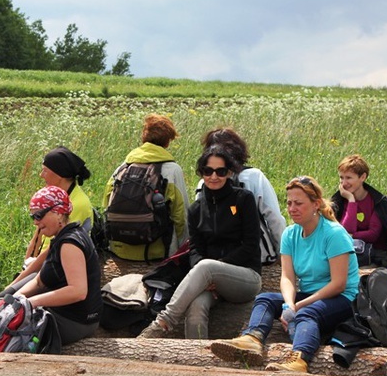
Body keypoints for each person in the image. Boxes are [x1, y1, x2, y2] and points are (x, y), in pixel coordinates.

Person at [210, 176, 359, 373]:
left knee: (307, 313)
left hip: (342, 299)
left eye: (298, 203)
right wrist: (289, 303)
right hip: (311, 296)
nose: (292, 208)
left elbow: (339, 284)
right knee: (265, 299)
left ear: (316, 204)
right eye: (289, 203)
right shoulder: (290, 234)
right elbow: (287, 277)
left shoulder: (334, 234)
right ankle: (252, 338)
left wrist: (298, 306)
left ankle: (300, 359)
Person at [137, 145, 262, 339]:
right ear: (201, 173)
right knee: (195, 307)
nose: (214, 176)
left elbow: (251, 245)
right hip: (208, 280)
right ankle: (197, 359)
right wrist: (207, 276)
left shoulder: (243, 199)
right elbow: (195, 250)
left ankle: (163, 321)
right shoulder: (196, 209)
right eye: (208, 171)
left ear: (229, 172)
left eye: (220, 171)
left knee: (206, 266)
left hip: (245, 277)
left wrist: (213, 271)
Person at [0, 146, 94, 297]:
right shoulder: (52, 197)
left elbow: (51, 250)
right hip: (41, 265)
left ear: (59, 174)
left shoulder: (77, 204)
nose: (41, 175)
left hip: (55, 269)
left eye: (45, 170)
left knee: (5, 302)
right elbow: (36, 238)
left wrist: (16, 282)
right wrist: (23, 269)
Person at [16, 186, 102, 345]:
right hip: (69, 314)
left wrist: (33, 302)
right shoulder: (62, 237)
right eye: (32, 216)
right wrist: (14, 299)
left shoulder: (70, 244)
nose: (36, 221)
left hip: (76, 320)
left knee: (8, 329)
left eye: (39, 215)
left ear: (58, 213)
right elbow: (39, 281)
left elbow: (78, 291)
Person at [103, 113, 190, 261]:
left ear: (144, 138)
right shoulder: (171, 170)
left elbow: (106, 203)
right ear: (168, 142)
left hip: (120, 249)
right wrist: (181, 249)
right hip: (156, 252)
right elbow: (181, 215)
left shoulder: (123, 168)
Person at [196, 127, 285, 266]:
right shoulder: (253, 176)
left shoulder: (204, 182)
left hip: (214, 257)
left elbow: (199, 225)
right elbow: (274, 218)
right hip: (257, 256)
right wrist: (282, 253)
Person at [330, 155, 387, 268]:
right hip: (346, 254)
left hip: (374, 256)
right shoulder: (338, 201)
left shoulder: (378, 201)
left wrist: (351, 235)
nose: (344, 183)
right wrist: (351, 200)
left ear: (362, 177)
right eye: (341, 178)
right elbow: (346, 230)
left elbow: (373, 234)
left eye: (349, 178)